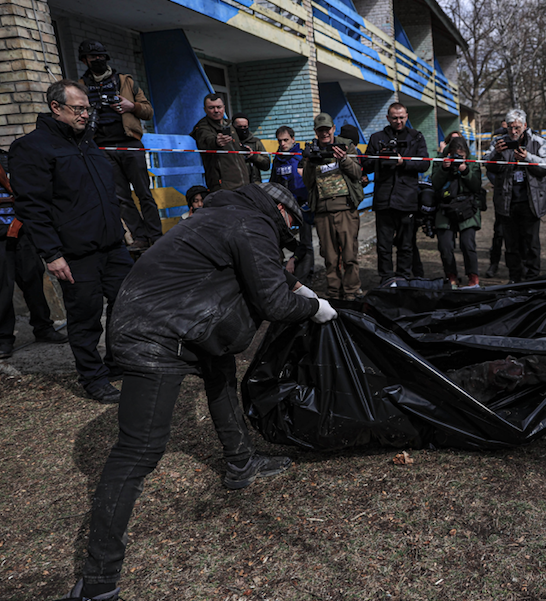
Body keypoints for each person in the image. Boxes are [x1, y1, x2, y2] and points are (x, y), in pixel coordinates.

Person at [57, 182, 336, 601]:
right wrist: (315, 308)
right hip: (156, 334)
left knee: (220, 372)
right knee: (137, 451)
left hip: (177, 323)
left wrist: (298, 286)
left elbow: (260, 267)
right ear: (280, 211)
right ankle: (99, 581)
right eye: (290, 225)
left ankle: (240, 464)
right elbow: (274, 304)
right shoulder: (252, 222)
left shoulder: (223, 214)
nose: (286, 234)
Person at [10, 79, 132, 404]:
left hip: (112, 246)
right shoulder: (32, 147)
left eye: (87, 109)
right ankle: (94, 379)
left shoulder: (89, 143)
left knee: (128, 304)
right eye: (78, 109)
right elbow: (32, 207)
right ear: (56, 107)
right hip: (75, 254)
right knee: (86, 317)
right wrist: (51, 253)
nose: (85, 115)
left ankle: (118, 362)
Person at [77, 40, 160, 252]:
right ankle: (139, 236)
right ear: (85, 60)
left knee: (144, 193)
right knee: (121, 197)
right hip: (103, 148)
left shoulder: (126, 81)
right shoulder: (81, 86)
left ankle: (156, 236)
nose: (97, 61)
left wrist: (131, 106)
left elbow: (148, 111)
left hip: (130, 143)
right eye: (93, 58)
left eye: (100, 56)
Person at [0, 156, 68, 359]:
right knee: (3, 287)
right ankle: (3, 338)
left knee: (33, 278)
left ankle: (43, 327)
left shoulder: (6, 158)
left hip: (20, 228)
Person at [299, 113, 364, 300]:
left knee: (350, 255)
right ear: (315, 132)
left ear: (333, 129)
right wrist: (310, 162)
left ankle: (351, 291)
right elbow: (308, 183)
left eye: (327, 129)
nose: (324, 133)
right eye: (320, 130)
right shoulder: (311, 150)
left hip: (345, 208)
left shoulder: (346, 145)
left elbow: (357, 173)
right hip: (322, 211)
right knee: (330, 256)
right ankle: (334, 292)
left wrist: (343, 159)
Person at [484, 108, 546, 282]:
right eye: (510, 128)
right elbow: (487, 164)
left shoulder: (538, 142)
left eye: (517, 128)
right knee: (511, 245)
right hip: (507, 202)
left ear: (525, 126)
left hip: (531, 202)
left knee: (531, 244)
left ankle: (532, 279)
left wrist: (528, 157)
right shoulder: (499, 142)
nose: (513, 132)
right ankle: (515, 278)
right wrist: (496, 153)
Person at [363, 103, 429, 281]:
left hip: (407, 199)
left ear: (407, 116)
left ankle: (403, 278)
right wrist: (379, 155)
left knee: (406, 245)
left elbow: (425, 163)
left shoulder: (416, 137)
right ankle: (386, 279)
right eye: (394, 118)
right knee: (383, 246)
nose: (398, 121)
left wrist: (403, 162)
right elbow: (366, 164)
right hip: (384, 199)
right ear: (388, 118)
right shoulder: (377, 138)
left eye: (401, 117)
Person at [430, 136, 483, 287]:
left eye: (461, 156)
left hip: (467, 207)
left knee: (468, 244)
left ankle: (473, 277)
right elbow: (435, 184)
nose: (458, 158)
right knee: (445, 245)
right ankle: (451, 275)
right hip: (445, 207)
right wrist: (444, 169)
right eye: (455, 155)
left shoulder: (472, 161)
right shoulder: (440, 160)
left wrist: (465, 170)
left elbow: (476, 186)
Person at [269, 126, 314, 283]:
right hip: (285, 207)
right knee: (283, 241)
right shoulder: (277, 159)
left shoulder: (301, 156)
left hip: (303, 205)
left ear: (293, 139)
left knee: (306, 242)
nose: (282, 143)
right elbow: (273, 182)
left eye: (286, 140)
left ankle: (305, 277)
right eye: (280, 141)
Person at [191, 93, 248, 192]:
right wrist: (216, 142)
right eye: (211, 108)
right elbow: (206, 140)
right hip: (223, 186)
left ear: (224, 108)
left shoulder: (230, 124)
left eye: (219, 107)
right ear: (205, 109)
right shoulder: (202, 127)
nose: (216, 110)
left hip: (243, 183)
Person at [483, 120, 508, 279]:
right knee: (498, 232)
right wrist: (495, 181)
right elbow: (488, 162)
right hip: (502, 194)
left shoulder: (526, 141)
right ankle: (494, 264)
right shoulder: (497, 141)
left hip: (519, 195)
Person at [232, 113, 271, 184]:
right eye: (239, 127)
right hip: (235, 184)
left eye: (245, 127)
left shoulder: (255, 142)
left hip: (254, 184)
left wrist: (253, 156)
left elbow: (266, 165)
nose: (242, 130)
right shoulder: (229, 143)